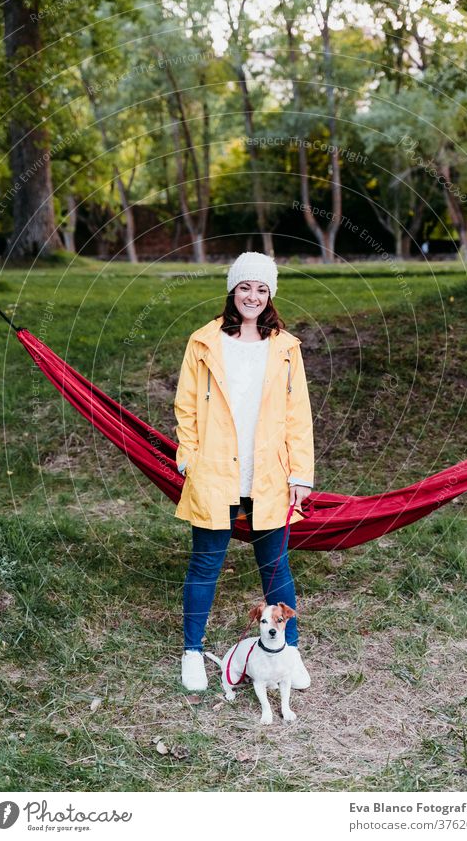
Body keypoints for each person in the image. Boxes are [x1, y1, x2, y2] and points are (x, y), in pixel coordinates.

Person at [173, 251, 315, 691]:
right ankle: (193, 653)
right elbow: (186, 406)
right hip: (216, 471)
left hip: (269, 474)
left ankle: (289, 652)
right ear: (232, 291)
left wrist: (300, 474)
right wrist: (188, 459)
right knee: (205, 565)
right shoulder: (203, 342)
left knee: (276, 570)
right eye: (243, 287)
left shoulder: (285, 346)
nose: (251, 296)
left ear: (270, 294)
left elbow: (298, 414)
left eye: (260, 288)